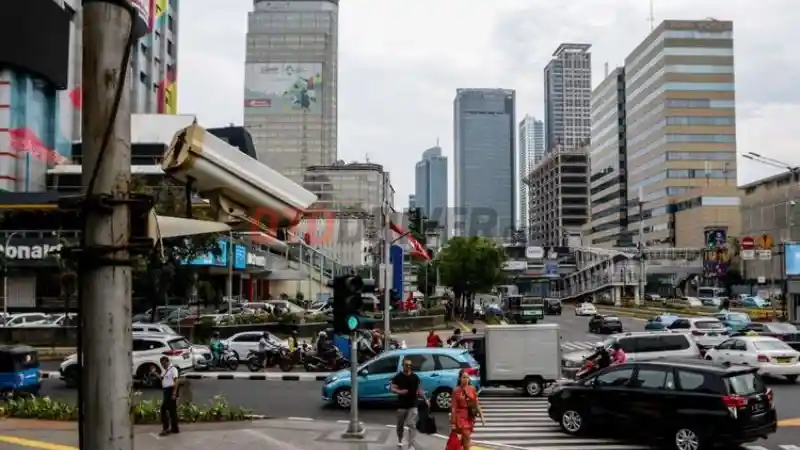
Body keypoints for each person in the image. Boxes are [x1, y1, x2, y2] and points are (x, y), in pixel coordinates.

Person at [390, 358, 427, 449]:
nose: (409, 367)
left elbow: (419, 390)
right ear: (403, 366)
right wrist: (400, 392)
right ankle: (400, 439)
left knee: (412, 424)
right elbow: (392, 388)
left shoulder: (415, 377)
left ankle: (411, 445)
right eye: (406, 365)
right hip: (402, 405)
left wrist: (425, 399)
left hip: (413, 404)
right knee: (400, 425)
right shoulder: (398, 377)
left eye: (410, 365)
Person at [451, 368, 484, 450]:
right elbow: (453, 408)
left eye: (467, 377)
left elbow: (476, 403)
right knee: (467, 437)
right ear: (460, 379)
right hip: (460, 417)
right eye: (464, 377)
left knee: (464, 440)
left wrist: (482, 416)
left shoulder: (472, 389)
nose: (466, 379)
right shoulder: (456, 391)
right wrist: (453, 422)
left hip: (470, 417)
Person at [156, 356, 180, 436]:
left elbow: (176, 382)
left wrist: (174, 393)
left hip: (171, 391)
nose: (163, 365)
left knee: (163, 410)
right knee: (172, 411)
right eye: (161, 364)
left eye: (164, 363)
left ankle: (166, 428)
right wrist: (154, 373)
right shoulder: (164, 370)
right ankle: (175, 429)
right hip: (166, 391)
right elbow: (161, 378)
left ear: (167, 362)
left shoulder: (173, 369)